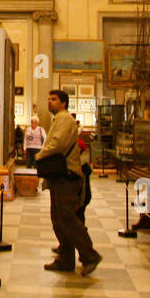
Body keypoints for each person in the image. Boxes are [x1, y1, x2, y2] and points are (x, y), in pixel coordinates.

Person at [36, 90, 101, 276]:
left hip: (67, 175)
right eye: (48, 99)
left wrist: (40, 156)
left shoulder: (64, 119)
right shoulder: (59, 119)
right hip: (59, 175)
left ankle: (89, 255)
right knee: (58, 218)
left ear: (63, 103)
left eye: (54, 99)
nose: (50, 102)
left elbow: (57, 144)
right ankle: (66, 259)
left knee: (66, 217)